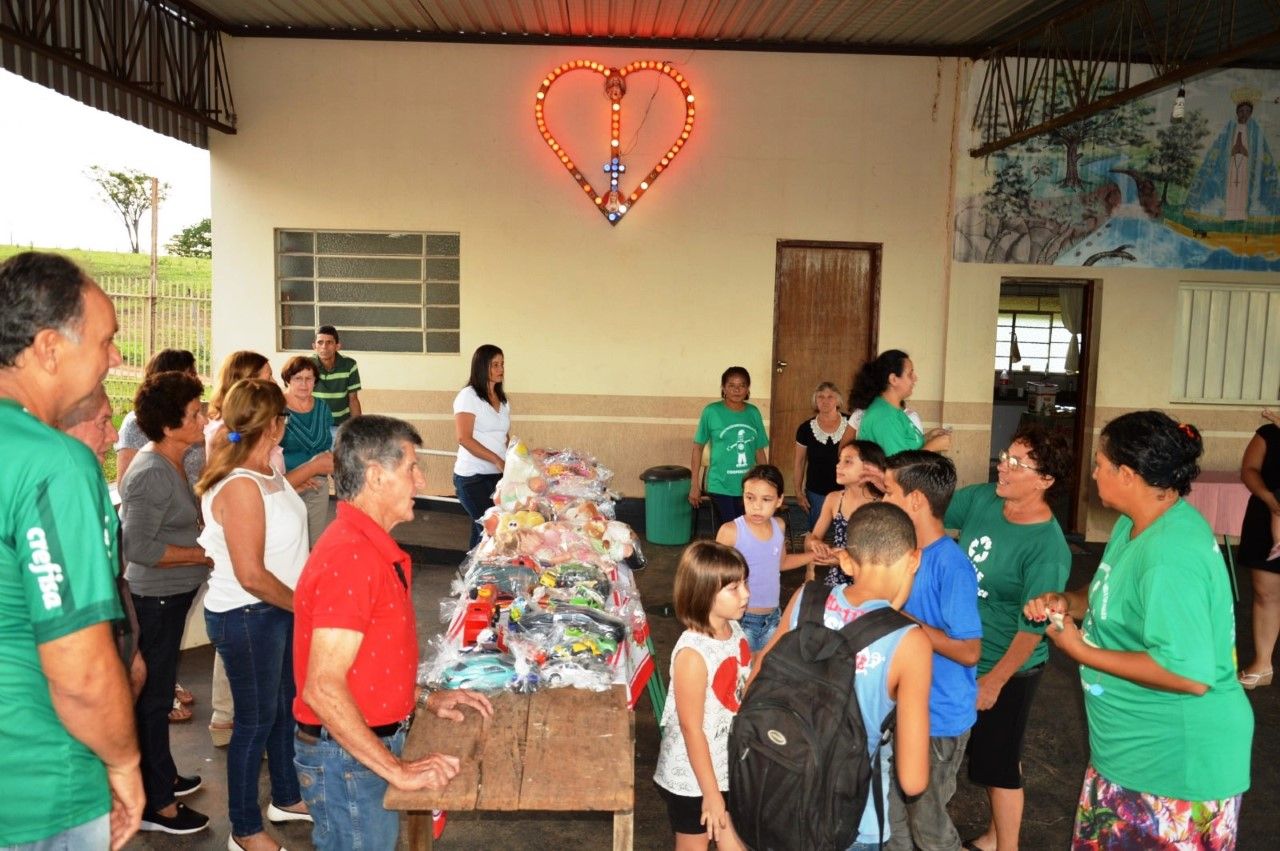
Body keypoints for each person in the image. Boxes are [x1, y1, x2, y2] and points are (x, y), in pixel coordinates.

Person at [1026, 411, 1253, 847]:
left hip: (1175, 768)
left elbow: (1187, 673)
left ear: (1127, 475)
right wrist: (1067, 602)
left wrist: (1082, 651)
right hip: (1128, 755)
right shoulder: (1135, 525)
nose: (1093, 474)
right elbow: (1106, 590)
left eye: (1099, 464)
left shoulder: (1171, 554)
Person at [294, 415, 494, 850]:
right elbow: (322, 688)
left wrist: (424, 698)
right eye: (411, 468)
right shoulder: (350, 556)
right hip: (348, 758)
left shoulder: (368, 546)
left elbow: (368, 664)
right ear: (375, 476)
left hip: (361, 749)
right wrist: (397, 770)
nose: (421, 480)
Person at [0, 251, 143, 850]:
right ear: (50, 348)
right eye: (106, 341)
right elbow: (81, 669)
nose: (115, 358)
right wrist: (124, 762)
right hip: (37, 786)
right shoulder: (53, 462)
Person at [754, 503, 932, 850]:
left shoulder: (806, 598)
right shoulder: (911, 643)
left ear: (846, 562)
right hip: (851, 822)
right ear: (915, 559)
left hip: (781, 799)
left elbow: (756, 681)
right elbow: (913, 781)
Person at [944, 426, 1072, 851]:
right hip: (964, 651)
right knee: (991, 757)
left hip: (1007, 665)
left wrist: (995, 681)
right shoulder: (983, 499)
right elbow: (931, 510)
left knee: (998, 765)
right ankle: (993, 836)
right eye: (1005, 456)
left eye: (1018, 463)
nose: (1003, 466)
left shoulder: (1047, 546)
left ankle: (1007, 846)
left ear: (1045, 480)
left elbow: (1033, 627)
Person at [197, 379, 311, 851]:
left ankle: (286, 797)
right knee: (254, 722)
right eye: (283, 416)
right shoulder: (241, 484)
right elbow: (251, 575)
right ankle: (244, 831)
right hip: (248, 615)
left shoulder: (268, 471)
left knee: (283, 708)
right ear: (274, 425)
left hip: (276, 609)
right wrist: (307, 607)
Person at [120, 371, 215, 835]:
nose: (204, 420)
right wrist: (203, 553)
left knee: (158, 696)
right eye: (194, 414)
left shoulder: (175, 460)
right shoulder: (151, 472)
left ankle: (163, 776)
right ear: (168, 424)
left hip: (172, 598)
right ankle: (154, 805)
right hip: (154, 600)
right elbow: (138, 548)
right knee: (154, 701)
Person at [881, 451, 982, 851]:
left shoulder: (951, 566)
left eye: (889, 492)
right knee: (893, 822)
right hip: (902, 710)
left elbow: (969, 651)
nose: (883, 500)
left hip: (938, 718)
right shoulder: (905, 554)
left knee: (929, 826)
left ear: (916, 500)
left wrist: (900, 618)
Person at [653, 540, 750, 851]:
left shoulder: (734, 629)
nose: (746, 594)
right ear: (705, 593)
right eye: (734, 588)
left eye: (744, 583)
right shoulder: (693, 655)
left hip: (726, 766)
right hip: (693, 779)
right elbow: (691, 729)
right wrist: (710, 793)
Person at [60, 386, 147, 699]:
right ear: (65, 426)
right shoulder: (50, 495)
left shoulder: (89, 483)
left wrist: (129, 645)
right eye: (103, 422)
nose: (113, 436)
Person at [715, 465, 809, 654]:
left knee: (765, 668)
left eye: (766, 499)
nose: (756, 506)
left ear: (779, 500)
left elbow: (781, 563)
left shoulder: (779, 526)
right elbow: (712, 580)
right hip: (740, 620)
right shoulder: (730, 531)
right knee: (740, 669)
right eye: (750, 497)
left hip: (773, 618)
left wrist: (814, 556)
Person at [689, 366, 769, 524]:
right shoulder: (711, 411)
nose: (737, 390)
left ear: (748, 389)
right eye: (731, 385)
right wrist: (695, 485)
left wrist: (767, 481)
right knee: (731, 528)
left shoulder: (753, 412)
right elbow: (697, 448)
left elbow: (759, 450)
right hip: (720, 484)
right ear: (723, 388)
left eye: (742, 385)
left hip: (749, 485)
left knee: (748, 528)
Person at [1185, 89, 1280, 222]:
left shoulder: (1255, 130)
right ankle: (1229, 213)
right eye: (1241, 111)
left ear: (1251, 113)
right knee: (1230, 188)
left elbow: (1261, 152)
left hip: (1247, 167)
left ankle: (1242, 214)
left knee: (1243, 189)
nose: (1244, 114)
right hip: (1230, 166)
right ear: (1237, 112)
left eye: (1247, 111)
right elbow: (1220, 147)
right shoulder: (1230, 128)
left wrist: (1246, 152)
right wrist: (1232, 151)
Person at [115, 348, 204, 487]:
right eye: (191, 375)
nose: (197, 380)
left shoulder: (191, 417)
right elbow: (127, 486)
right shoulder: (136, 424)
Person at [805, 440, 887, 586]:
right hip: (838, 580)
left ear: (870, 468)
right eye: (839, 460)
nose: (838, 465)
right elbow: (814, 536)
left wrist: (843, 559)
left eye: (848, 461)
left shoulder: (883, 503)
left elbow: (884, 554)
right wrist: (816, 542)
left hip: (870, 581)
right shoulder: (834, 499)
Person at [453, 344, 510, 549]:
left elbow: (503, 436)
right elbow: (464, 438)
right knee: (490, 530)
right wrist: (497, 459)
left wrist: (518, 457)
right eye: (495, 365)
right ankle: (478, 569)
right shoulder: (468, 396)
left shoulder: (502, 399)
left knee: (483, 531)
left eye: (502, 364)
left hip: (497, 477)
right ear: (481, 367)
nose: (500, 369)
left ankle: (472, 568)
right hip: (472, 478)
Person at [1238, 408, 1280, 688]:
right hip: (1267, 512)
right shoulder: (1268, 434)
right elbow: (1249, 470)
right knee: (1266, 592)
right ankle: (1263, 664)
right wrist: (1269, 499)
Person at [279, 355, 336, 548]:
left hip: (317, 485)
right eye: (298, 378)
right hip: (286, 484)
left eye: (309, 379)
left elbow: (327, 444)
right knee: (289, 544)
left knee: (314, 545)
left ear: (315, 381)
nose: (304, 384)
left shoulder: (322, 407)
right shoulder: (276, 407)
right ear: (288, 379)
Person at [850, 350, 951, 457]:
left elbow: (904, 447)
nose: (915, 378)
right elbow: (898, 465)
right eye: (910, 374)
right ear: (893, 379)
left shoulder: (893, 409)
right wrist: (932, 447)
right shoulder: (883, 416)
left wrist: (928, 438)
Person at [793, 381, 855, 530]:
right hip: (816, 491)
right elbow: (799, 462)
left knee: (847, 534)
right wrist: (798, 492)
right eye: (820, 397)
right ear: (815, 400)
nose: (825, 401)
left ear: (838, 400)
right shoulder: (805, 429)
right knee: (816, 534)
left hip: (847, 489)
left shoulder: (852, 424)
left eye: (830, 397)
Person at [311, 325, 362, 432]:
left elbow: (353, 399)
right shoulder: (307, 365)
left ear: (337, 346)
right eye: (320, 342)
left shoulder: (349, 365)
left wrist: (358, 429)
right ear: (314, 346)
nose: (324, 347)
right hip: (314, 426)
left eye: (329, 342)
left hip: (341, 426)